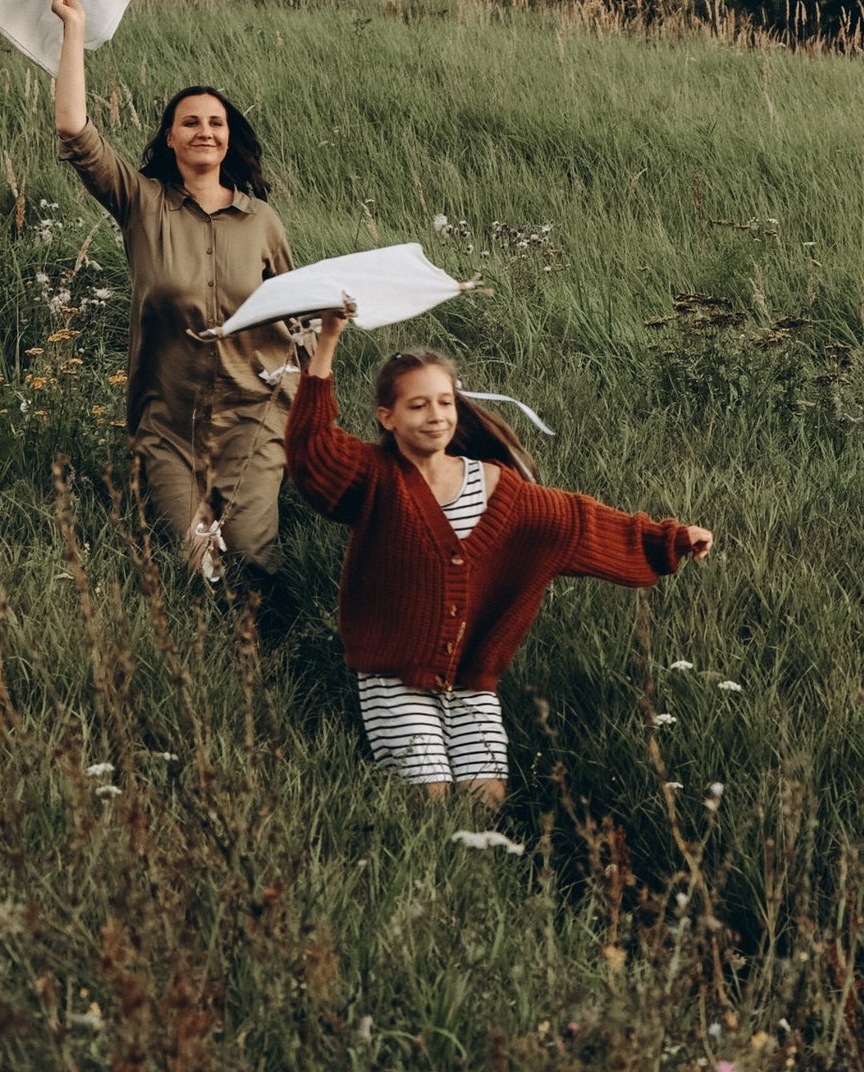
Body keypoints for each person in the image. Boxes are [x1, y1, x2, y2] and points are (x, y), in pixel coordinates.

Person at [285, 305, 713, 803]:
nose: (436, 415)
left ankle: (478, 878)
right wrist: (329, 341)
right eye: (418, 405)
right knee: (428, 796)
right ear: (389, 417)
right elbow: (311, 450)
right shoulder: (374, 476)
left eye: (445, 402)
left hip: (472, 678)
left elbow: (580, 523)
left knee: (485, 799)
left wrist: (670, 539)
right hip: (392, 675)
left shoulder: (496, 487)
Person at [49, 0, 297, 584]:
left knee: (248, 558)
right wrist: (73, 29)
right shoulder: (142, 202)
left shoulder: (260, 221)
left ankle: (265, 659)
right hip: (169, 423)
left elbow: (301, 313)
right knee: (195, 563)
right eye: (190, 121)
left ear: (229, 136)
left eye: (215, 122)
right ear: (170, 137)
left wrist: (308, 397)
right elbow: (75, 132)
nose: (204, 131)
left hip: (252, 416)